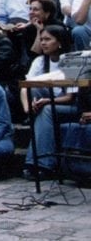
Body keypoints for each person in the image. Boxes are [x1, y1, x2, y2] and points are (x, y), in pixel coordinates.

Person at [23, 25, 79, 177]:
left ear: (59, 42)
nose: (43, 43)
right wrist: (28, 107)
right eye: (41, 39)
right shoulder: (39, 61)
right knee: (34, 91)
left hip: (70, 106)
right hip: (45, 104)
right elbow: (25, 88)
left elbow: (69, 98)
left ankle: (41, 163)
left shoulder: (72, 61)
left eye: (48, 39)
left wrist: (46, 101)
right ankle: (39, 164)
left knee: (46, 110)